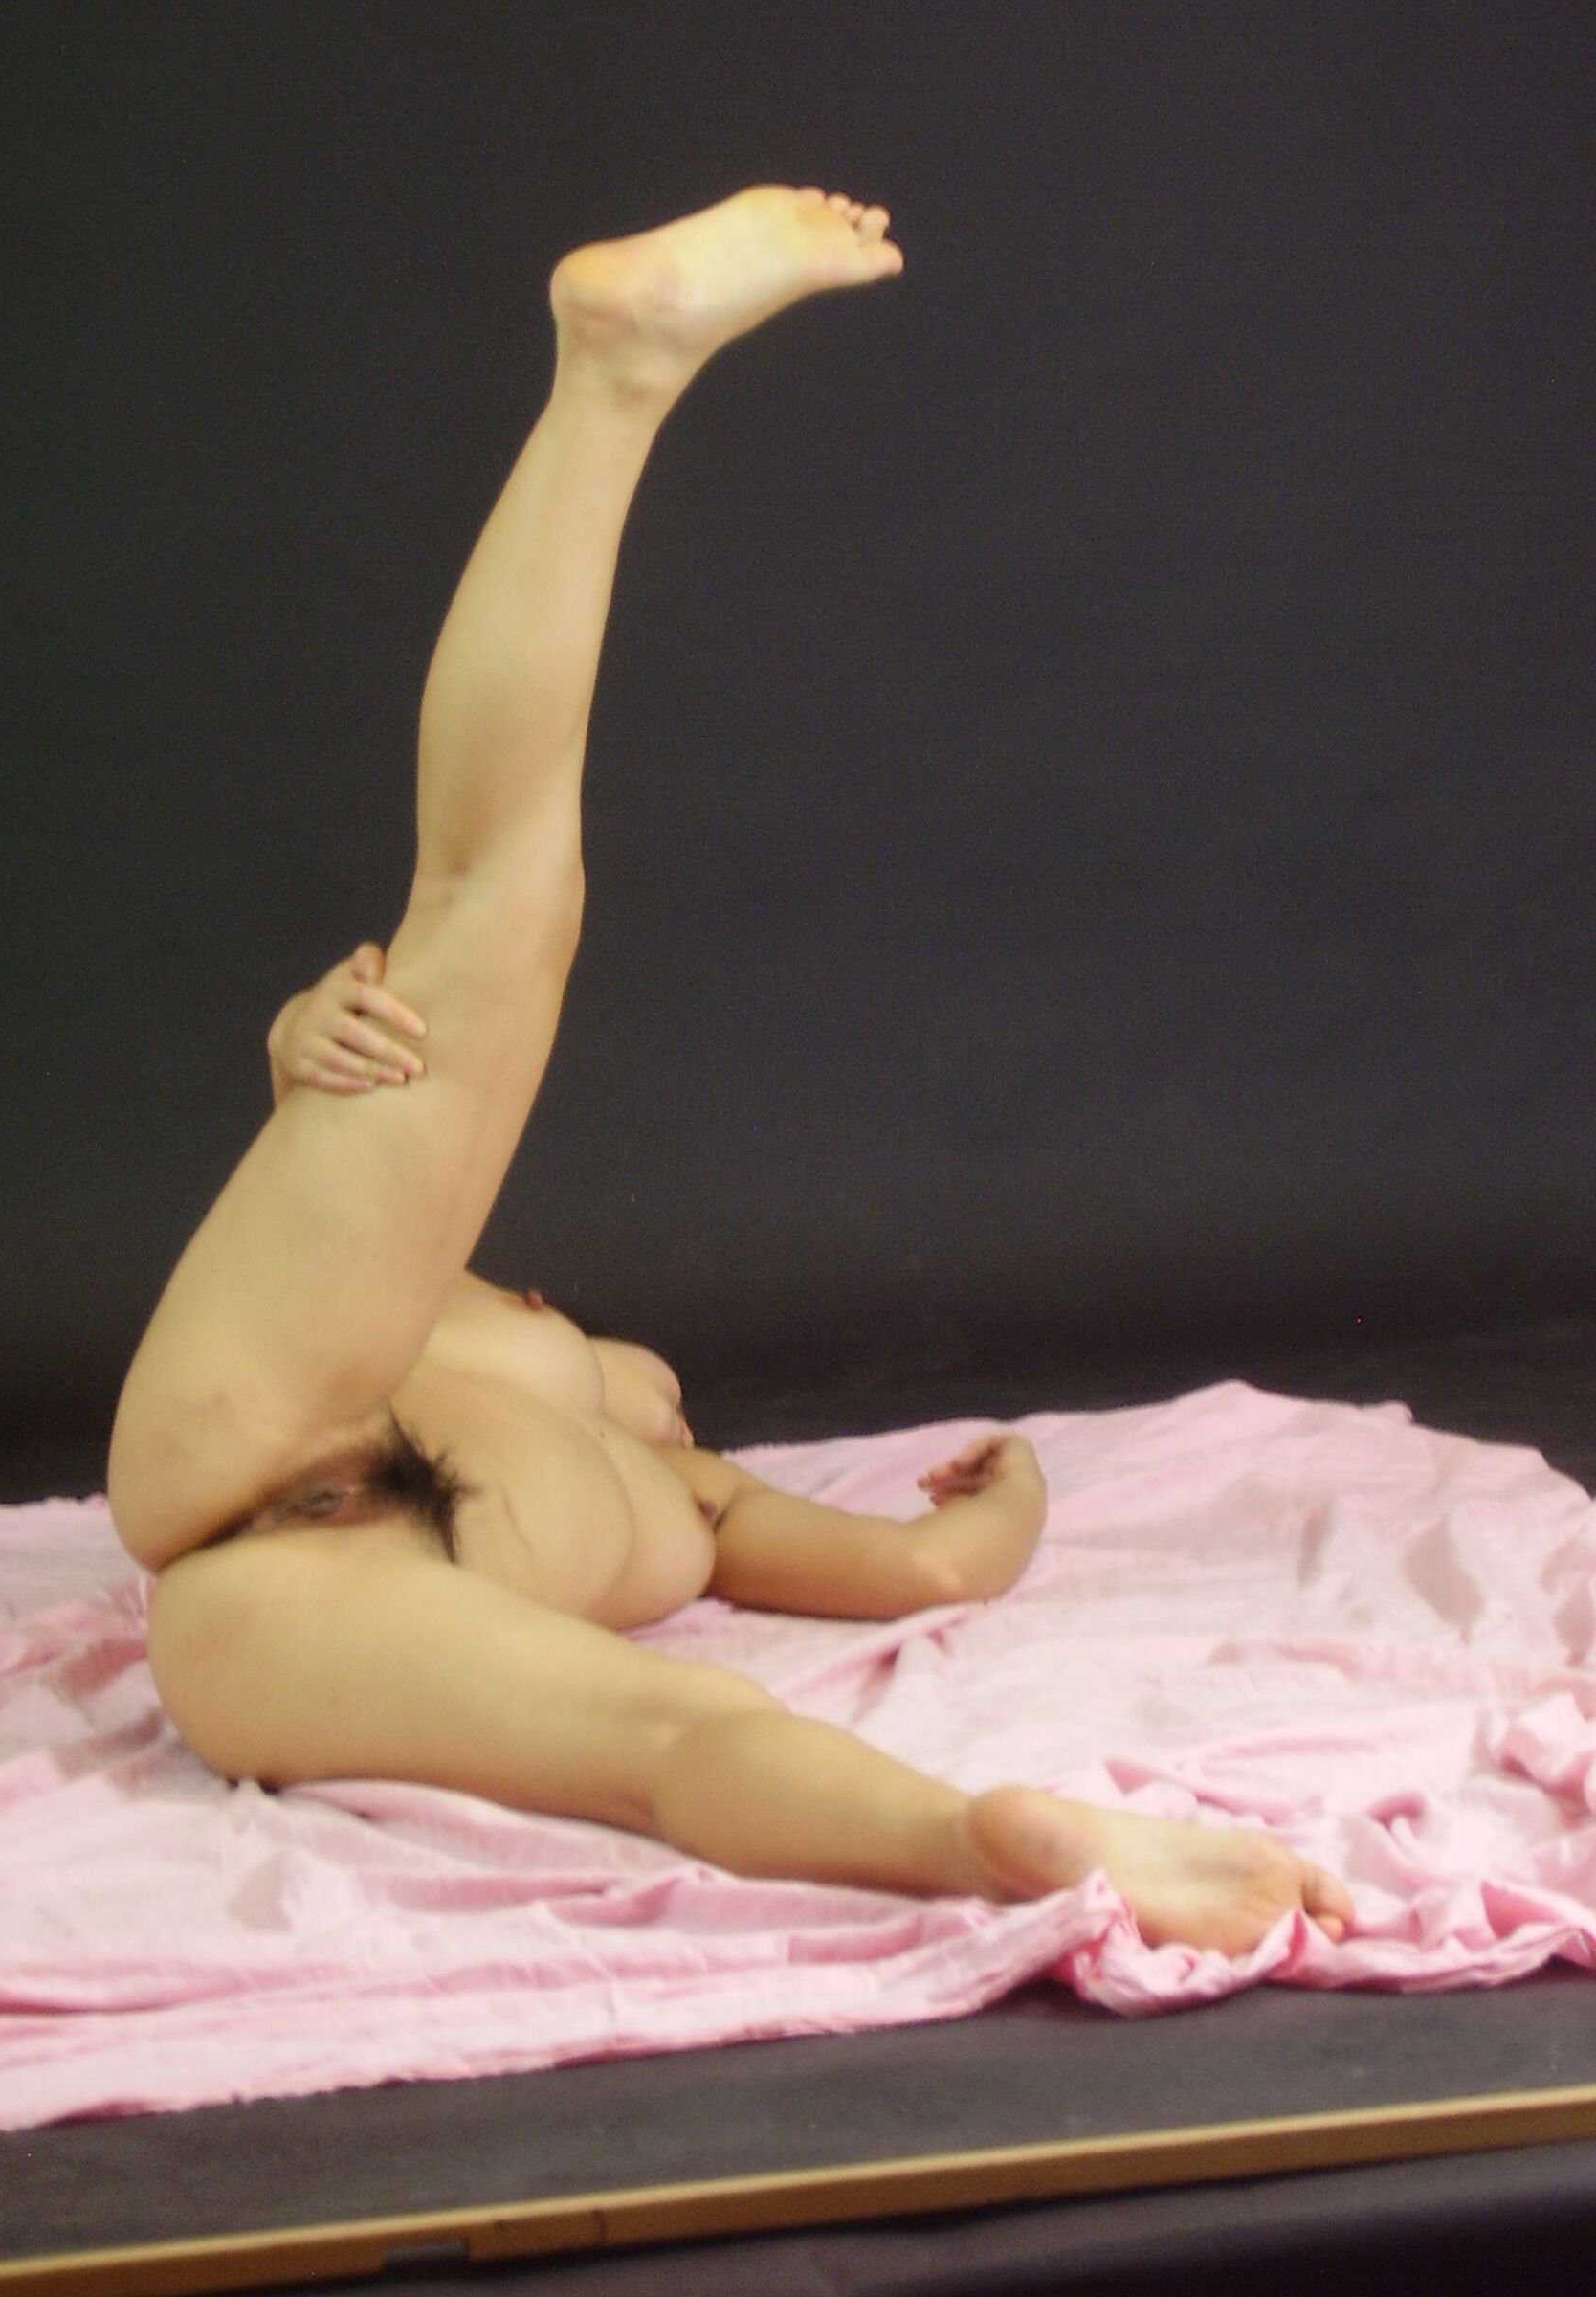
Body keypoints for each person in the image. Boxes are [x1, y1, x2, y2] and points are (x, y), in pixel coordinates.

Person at [112, 186, 1353, 1954]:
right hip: (274, 1432)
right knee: (488, 916)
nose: (654, 1381)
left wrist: (1009, 1497)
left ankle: (994, 1844)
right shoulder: (519, 1365)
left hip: (278, 1592)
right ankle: (614, 373)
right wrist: (301, 1052)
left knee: (676, 1733)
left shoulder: (700, 1489)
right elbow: (340, 1228)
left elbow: (921, 1570)